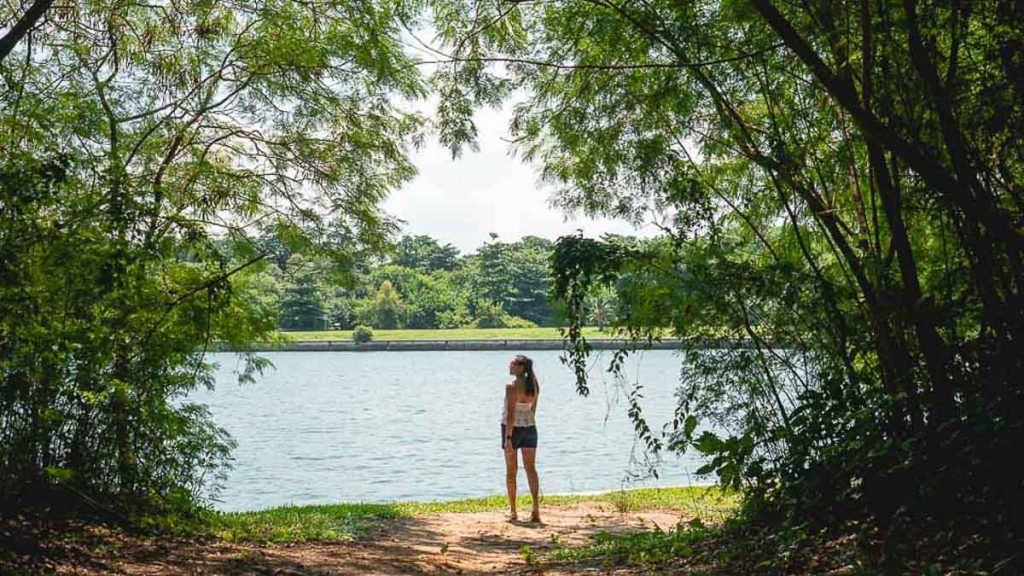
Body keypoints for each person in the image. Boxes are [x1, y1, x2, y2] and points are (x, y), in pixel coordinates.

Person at [502, 354, 541, 522]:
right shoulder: (534, 384)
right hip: (530, 428)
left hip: (513, 429)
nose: (509, 366)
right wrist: (528, 418)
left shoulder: (512, 387)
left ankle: (513, 510)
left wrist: (508, 438)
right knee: (530, 469)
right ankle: (535, 508)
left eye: (512, 363)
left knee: (512, 471)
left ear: (520, 367)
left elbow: (510, 414)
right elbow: (534, 407)